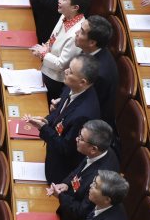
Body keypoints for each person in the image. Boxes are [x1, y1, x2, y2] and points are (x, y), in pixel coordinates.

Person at [26, 55, 101, 185]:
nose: (65, 71)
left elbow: (65, 148)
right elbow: (60, 112)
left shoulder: (83, 115)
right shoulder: (73, 87)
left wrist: (43, 128)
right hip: (51, 155)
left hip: (60, 171)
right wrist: (47, 121)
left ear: (82, 82)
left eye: (70, 71)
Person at [48, 120, 120, 220]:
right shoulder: (100, 152)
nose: (76, 139)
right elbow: (80, 169)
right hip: (67, 210)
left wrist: (61, 196)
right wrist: (66, 183)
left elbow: (81, 211)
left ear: (93, 149)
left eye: (81, 138)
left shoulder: (99, 181)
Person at [31, 0, 91, 99]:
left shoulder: (77, 34)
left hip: (54, 80)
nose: (59, 1)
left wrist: (43, 53)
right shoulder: (65, 15)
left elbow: (61, 65)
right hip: (45, 67)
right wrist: (46, 47)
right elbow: (53, 37)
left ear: (75, 7)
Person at [74, 17, 120, 126]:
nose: (76, 33)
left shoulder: (99, 75)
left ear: (92, 42)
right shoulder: (91, 50)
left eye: (82, 32)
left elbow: (88, 107)